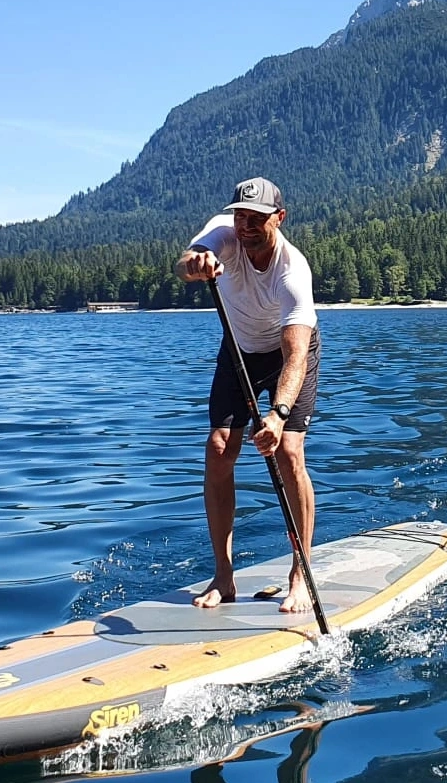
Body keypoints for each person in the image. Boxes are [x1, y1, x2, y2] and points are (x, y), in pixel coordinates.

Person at [176, 176, 321, 612]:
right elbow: (184, 264)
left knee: (288, 453)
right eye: (241, 215)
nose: (246, 225)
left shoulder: (292, 272)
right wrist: (195, 265)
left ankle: (300, 573)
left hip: (286, 354)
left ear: (279, 218)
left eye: (256, 218)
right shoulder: (224, 236)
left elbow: (295, 358)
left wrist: (278, 414)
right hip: (238, 349)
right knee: (220, 448)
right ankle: (223, 576)